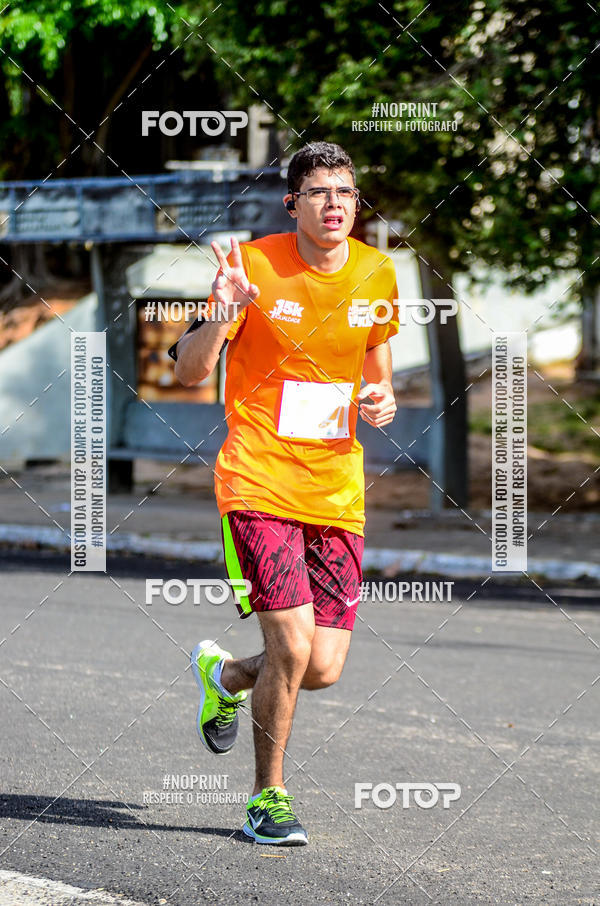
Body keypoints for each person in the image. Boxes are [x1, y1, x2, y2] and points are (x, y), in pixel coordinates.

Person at [170, 141, 399, 846]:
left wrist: (383, 392)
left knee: (322, 667)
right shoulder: (249, 265)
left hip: (336, 487)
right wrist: (224, 314)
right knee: (294, 648)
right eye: (320, 191)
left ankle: (227, 675)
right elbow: (186, 371)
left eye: (347, 192)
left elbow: (375, 354)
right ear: (292, 203)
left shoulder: (377, 270)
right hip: (259, 477)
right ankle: (267, 800)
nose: (336, 204)